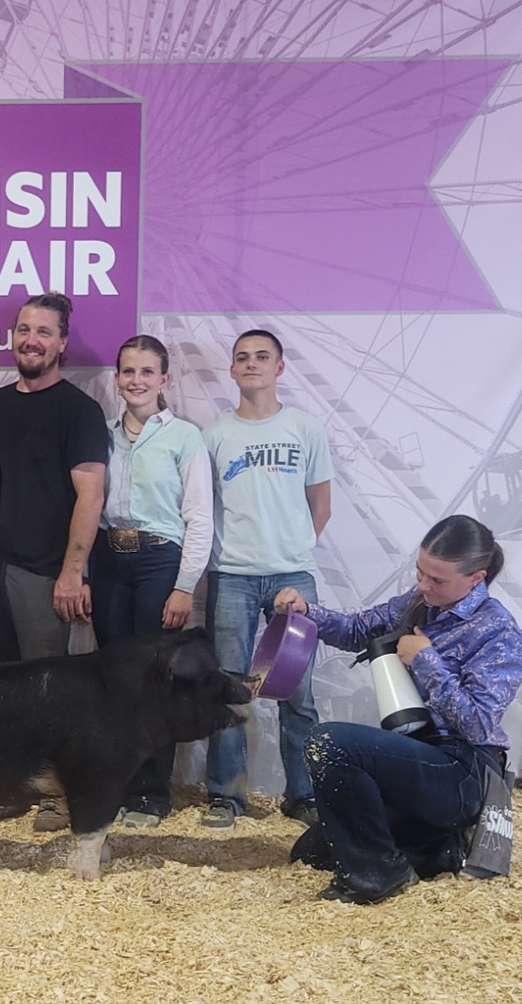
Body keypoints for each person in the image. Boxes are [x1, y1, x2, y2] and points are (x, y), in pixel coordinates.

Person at [275, 515, 522, 904]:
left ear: (477, 577)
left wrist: (425, 660)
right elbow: (357, 629)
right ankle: (440, 849)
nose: (423, 585)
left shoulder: (499, 630)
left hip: (464, 769)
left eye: (436, 579)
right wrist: (307, 610)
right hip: (418, 757)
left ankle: (378, 876)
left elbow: (476, 725)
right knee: (312, 852)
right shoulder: (419, 602)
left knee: (328, 742)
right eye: (420, 572)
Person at [0, 291, 109, 833]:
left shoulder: (80, 410)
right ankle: (11, 784)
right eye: (25, 329)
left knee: (49, 691)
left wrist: (72, 572)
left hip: (46, 573)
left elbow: (90, 496)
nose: (32, 339)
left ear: (62, 343)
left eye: (44, 332)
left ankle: (60, 793)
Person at [201, 329, 333, 830]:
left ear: (280, 367)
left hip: (294, 576)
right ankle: (225, 795)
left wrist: (295, 550)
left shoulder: (305, 428)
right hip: (231, 575)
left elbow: (320, 504)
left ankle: (303, 794)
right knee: (230, 689)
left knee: (298, 694)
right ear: (231, 371)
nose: (251, 364)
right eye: (242, 358)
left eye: (262, 356)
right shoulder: (215, 435)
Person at [89, 335, 213, 828]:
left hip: (160, 561)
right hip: (108, 560)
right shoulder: (102, 435)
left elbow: (199, 517)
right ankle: (116, 784)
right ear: (116, 379)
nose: (136, 381)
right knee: (114, 679)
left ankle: (153, 792)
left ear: (164, 379)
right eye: (127, 372)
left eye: (146, 372)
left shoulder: (184, 436)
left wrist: (184, 586)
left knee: (157, 679)